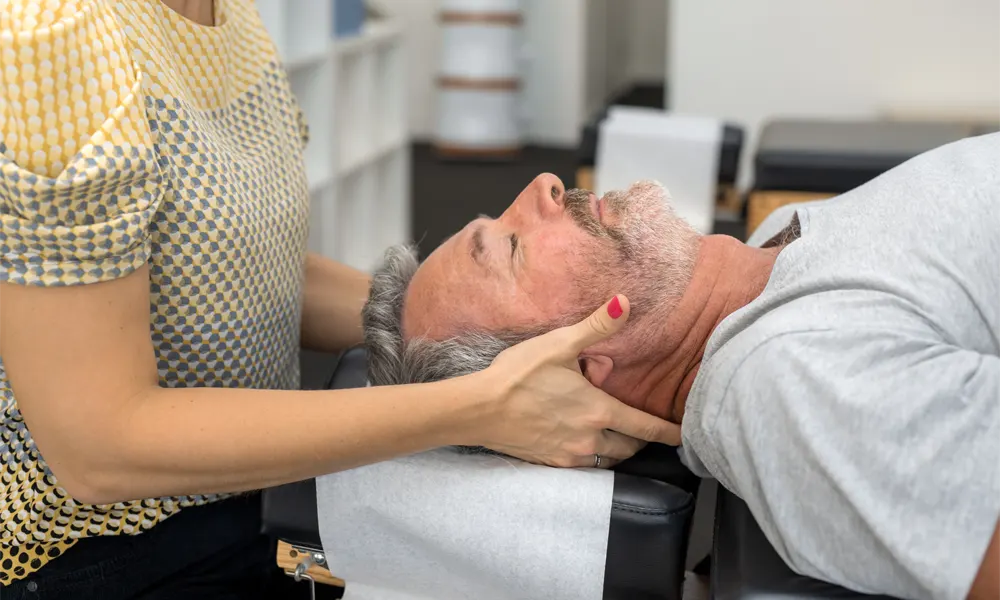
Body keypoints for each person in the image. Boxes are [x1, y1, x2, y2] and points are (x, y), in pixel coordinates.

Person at [0, 1, 679, 597]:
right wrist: (480, 405)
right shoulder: (52, 28)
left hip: (247, 497)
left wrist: (460, 333)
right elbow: (98, 448)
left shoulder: (225, 12)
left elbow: (228, 268)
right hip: (89, 558)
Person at [362, 133, 1000, 600]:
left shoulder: (769, 245)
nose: (543, 186)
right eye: (510, 245)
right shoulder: (790, 385)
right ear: (572, 373)